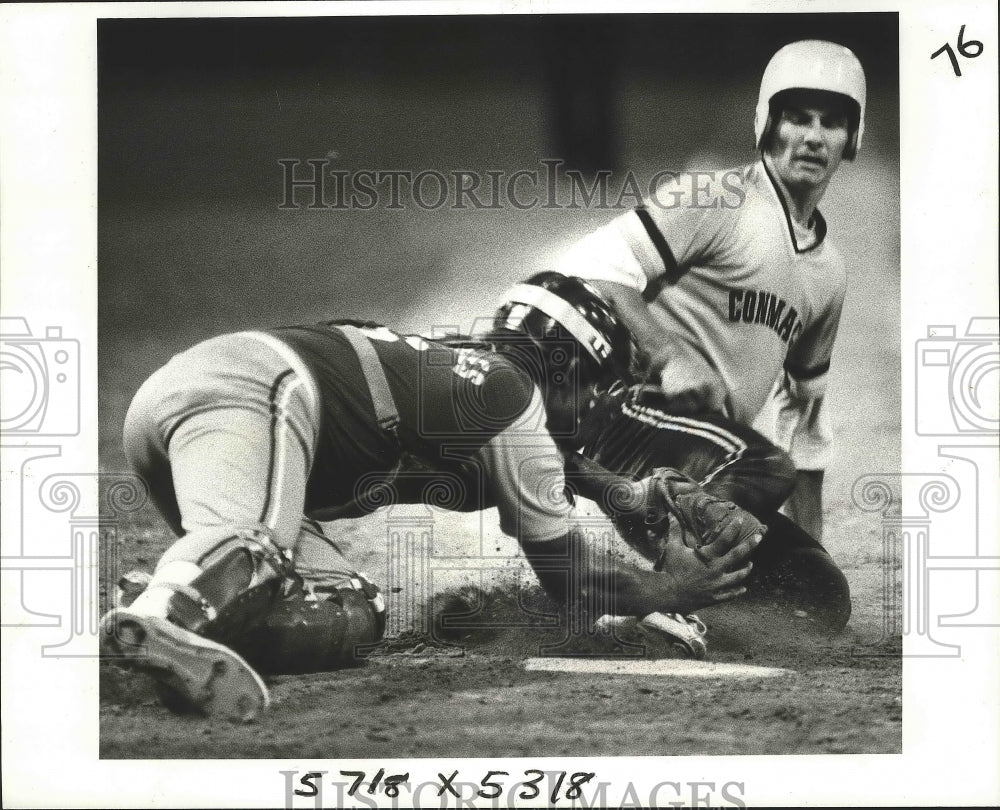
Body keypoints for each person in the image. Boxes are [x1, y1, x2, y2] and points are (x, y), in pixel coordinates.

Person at [99, 273, 763, 721]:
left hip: (211, 400)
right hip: (253, 393)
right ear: (564, 369)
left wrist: (624, 492)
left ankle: (156, 624)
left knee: (350, 608)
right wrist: (668, 590)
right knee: (259, 549)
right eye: (596, 388)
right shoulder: (512, 399)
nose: (597, 409)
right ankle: (163, 612)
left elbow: (539, 467)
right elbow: (571, 578)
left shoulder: (481, 378)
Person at [557, 40, 867, 545]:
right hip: (619, 409)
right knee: (764, 469)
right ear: (768, 123)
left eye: (831, 122)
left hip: (696, 454)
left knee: (779, 543)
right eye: (797, 118)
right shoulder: (715, 195)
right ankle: (658, 548)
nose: (812, 137)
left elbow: (806, 421)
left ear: (852, 136)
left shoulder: (829, 272)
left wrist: (816, 550)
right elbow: (589, 265)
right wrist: (668, 353)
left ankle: (670, 555)